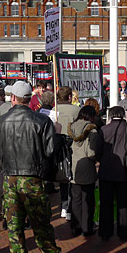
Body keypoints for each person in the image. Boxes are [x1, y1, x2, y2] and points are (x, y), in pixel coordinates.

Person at [0, 81, 71, 253]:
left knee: (14, 225)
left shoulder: (1, 121)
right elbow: (50, 151)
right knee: (41, 223)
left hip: (10, 177)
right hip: (32, 178)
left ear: (13, 98)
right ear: (29, 98)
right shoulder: (41, 121)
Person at [96, 106, 127, 242]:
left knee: (105, 203)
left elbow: (97, 151)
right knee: (123, 202)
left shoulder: (104, 129)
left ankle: (105, 232)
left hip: (106, 171)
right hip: (123, 171)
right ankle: (123, 232)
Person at [67, 105, 98, 237]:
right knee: (88, 200)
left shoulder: (72, 128)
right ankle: (87, 227)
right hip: (87, 166)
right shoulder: (92, 131)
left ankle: (76, 226)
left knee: (76, 199)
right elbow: (92, 152)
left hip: (74, 165)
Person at [55, 86, 81, 222]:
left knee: (62, 177)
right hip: (72, 147)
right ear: (70, 97)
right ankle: (68, 207)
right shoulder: (76, 110)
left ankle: (64, 206)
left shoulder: (54, 110)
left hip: (58, 148)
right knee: (71, 178)